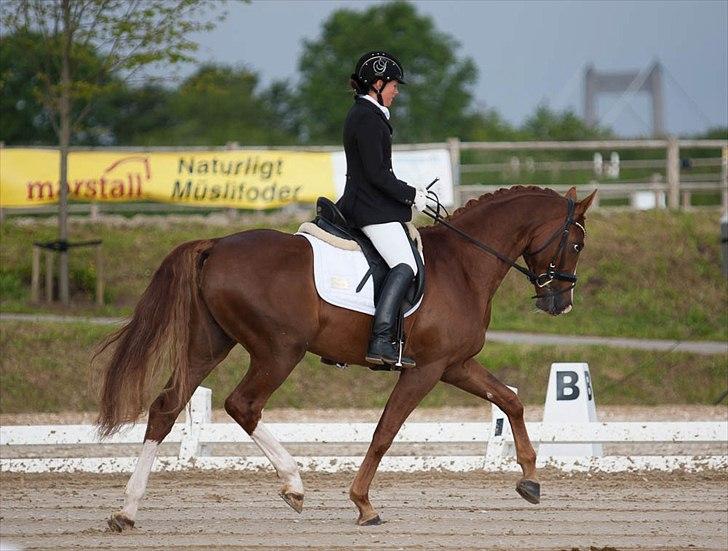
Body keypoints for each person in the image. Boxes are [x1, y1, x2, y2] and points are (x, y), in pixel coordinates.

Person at [336, 51, 430, 369]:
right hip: (368, 209)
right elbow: (377, 176)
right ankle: (381, 339)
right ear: (377, 84)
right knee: (406, 265)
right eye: (393, 85)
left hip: (366, 203)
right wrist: (412, 195)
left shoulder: (366, 114)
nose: (396, 91)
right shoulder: (367, 118)